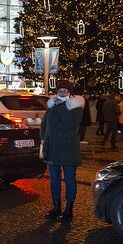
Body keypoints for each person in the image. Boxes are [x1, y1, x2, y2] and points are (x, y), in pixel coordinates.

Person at [40, 80, 84, 221]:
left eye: (65, 90)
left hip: (69, 149)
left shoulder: (75, 106)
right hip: (52, 148)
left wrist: (61, 107)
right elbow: (44, 124)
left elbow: (71, 123)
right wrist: (43, 140)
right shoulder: (51, 106)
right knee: (54, 180)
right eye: (60, 90)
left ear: (70, 92)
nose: (63, 92)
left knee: (70, 180)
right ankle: (56, 207)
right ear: (57, 91)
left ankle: (68, 210)